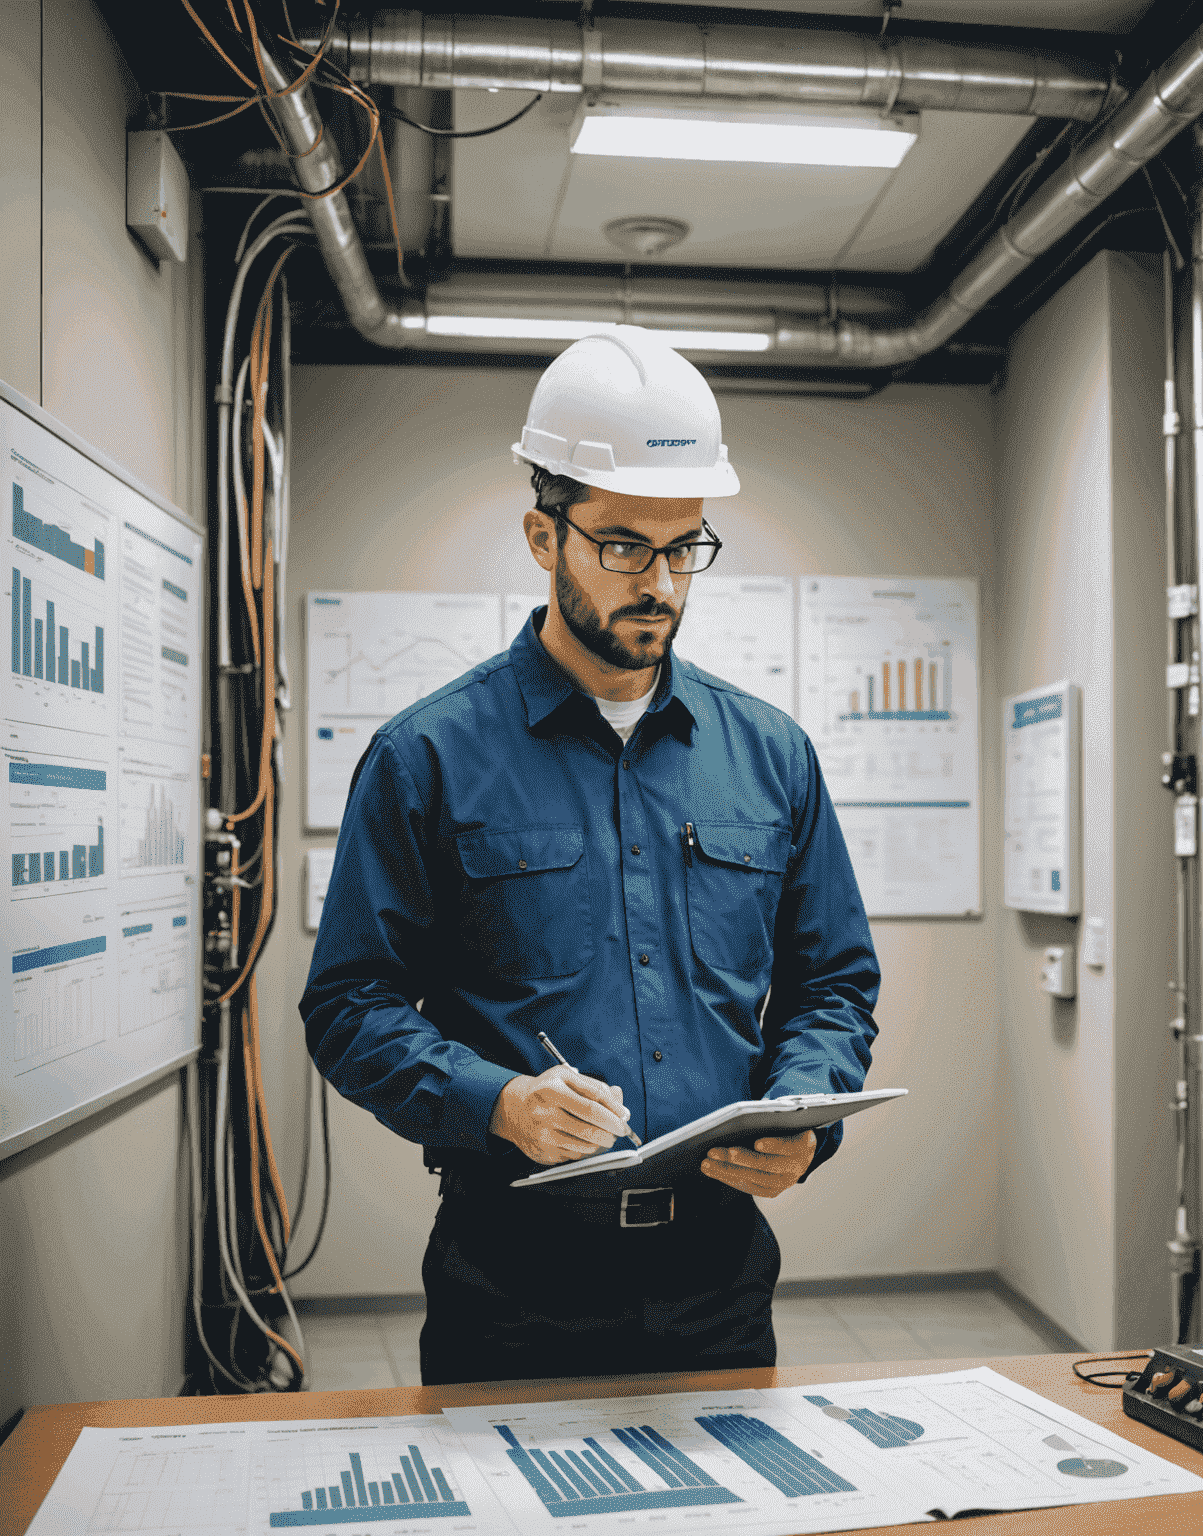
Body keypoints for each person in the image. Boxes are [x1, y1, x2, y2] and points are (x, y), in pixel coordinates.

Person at [300, 326, 880, 1386]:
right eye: (623, 546)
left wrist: (805, 1112)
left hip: (720, 1271)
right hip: (513, 1279)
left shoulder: (772, 755)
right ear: (542, 533)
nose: (659, 582)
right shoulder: (426, 756)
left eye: (685, 546)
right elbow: (348, 1006)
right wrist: (495, 1099)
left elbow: (832, 983)